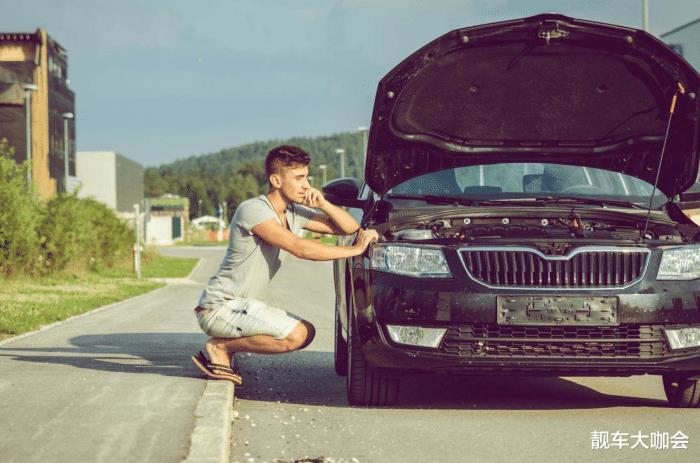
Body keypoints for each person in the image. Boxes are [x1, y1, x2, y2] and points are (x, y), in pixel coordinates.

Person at [191, 145, 378, 384]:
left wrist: (323, 204)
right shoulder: (254, 210)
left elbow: (349, 227)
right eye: (299, 178)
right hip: (219, 307)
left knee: (306, 331)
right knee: (296, 335)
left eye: (307, 177)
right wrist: (355, 250)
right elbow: (301, 248)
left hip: (241, 307)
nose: (306, 185)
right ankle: (219, 349)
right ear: (276, 180)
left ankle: (224, 348)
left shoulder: (293, 212)